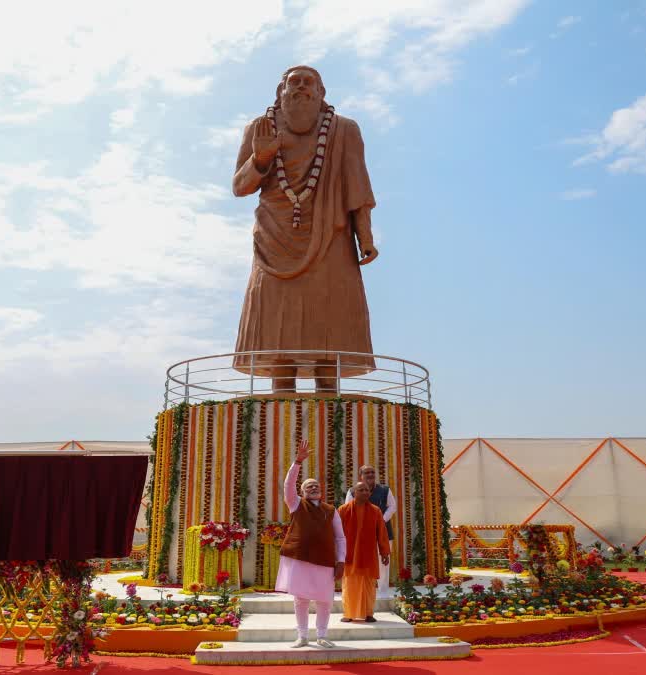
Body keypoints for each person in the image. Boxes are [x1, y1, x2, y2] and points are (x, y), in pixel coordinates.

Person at [231, 65, 379, 393]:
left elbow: (358, 188)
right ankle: (281, 408)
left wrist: (365, 237)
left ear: (321, 93)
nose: (301, 88)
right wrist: (260, 158)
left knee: (329, 335)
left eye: (308, 82)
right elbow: (240, 186)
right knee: (278, 346)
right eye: (293, 83)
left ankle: (329, 408)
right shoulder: (260, 127)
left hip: (331, 237)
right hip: (273, 239)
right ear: (280, 92)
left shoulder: (344, 130)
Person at [276, 439, 345, 648]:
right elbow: (288, 486)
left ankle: (322, 635)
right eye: (308, 486)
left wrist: (341, 561)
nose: (313, 487)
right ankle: (303, 636)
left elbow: (340, 537)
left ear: (321, 490)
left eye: (316, 485)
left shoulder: (331, 510)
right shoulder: (296, 504)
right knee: (301, 600)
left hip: (324, 560)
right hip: (301, 558)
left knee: (324, 600)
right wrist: (297, 462)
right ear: (303, 492)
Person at [338, 481, 390, 623]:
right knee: (349, 584)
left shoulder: (375, 510)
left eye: (367, 490)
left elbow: (382, 533)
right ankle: (348, 613)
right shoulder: (343, 510)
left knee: (368, 585)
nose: (366, 492)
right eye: (361, 490)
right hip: (350, 554)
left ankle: (368, 613)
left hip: (368, 554)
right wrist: (337, 554)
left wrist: (385, 552)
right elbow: (336, 534)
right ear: (354, 493)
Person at [344, 464, 396, 586]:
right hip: (361, 534)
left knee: (383, 562)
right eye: (367, 473)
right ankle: (366, 589)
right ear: (361, 476)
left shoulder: (385, 490)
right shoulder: (352, 491)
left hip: (384, 532)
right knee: (364, 561)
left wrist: (380, 521)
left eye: (372, 472)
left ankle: (383, 591)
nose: (370, 475)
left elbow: (392, 507)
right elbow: (348, 510)